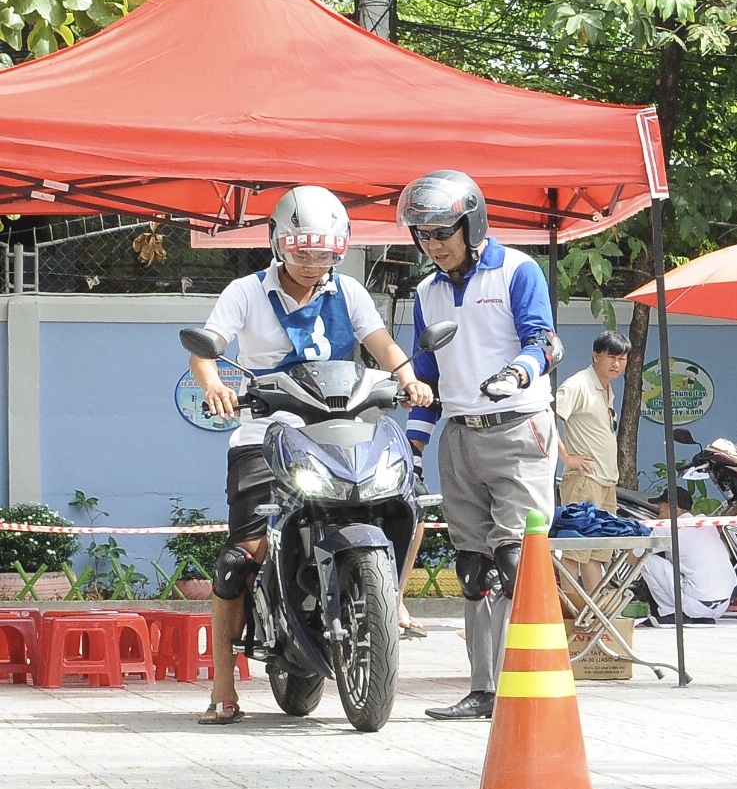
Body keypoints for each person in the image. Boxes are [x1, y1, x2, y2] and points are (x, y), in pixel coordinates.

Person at [188, 185, 432, 725]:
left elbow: (382, 344)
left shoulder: (349, 292)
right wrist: (215, 385)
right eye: (302, 252)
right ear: (278, 243)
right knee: (241, 555)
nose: (313, 263)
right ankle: (223, 687)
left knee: (407, 502)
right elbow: (206, 349)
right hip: (266, 432)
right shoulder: (245, 292)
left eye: (324, 253)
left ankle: (388, 600)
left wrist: (408, 377)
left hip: (341, 428)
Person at [398, 169, 561, 721]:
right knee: (473, 567)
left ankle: (532, 686)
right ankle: (484, 690)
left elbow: (544, 341)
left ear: (472, 224)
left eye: (443, 232)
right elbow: (427, 376)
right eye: (423, 235)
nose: (433, 244)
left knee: (518, 558)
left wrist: (517, 373)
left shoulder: (517, 270)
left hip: (518, 427)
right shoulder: (426, 292)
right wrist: (413, 447)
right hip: (460, 434)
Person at [554, 330, 631, 598]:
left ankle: (593, 611)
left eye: (622, 359)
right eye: (611, 357)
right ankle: (571, 612)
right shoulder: (579, 384)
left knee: (597, 553)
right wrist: (567, 457)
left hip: (606, 482)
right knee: (575, 551)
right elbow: (545, 418)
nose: (616, 364)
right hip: (584, 480)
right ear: (596, 355)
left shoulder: (606, 388)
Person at [639, 487, 737, 625]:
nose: (658, 517)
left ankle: (671, 613)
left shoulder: (668, 528)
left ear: (675, 509)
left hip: (696, 605)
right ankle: (690, 614)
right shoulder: (705, 522)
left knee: (646, 559)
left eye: (661, 511)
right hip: (722, 606)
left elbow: (633, 558)